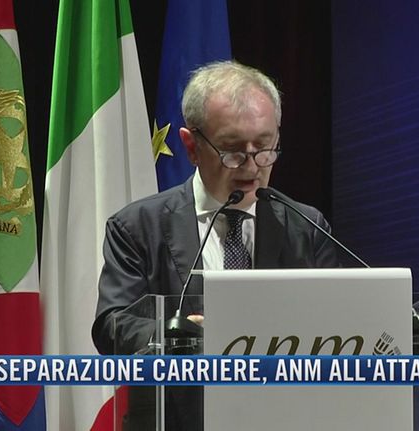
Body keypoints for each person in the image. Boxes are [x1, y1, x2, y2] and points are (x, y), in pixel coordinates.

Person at [91, 61, 340, 355]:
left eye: (264, 147)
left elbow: (337, 319)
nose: (252, 167)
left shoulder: (307, 228)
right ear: (191, 146)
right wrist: (178, 334)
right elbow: (113, 325)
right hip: (183, 384)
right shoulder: (138, 227)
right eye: (232, 150)